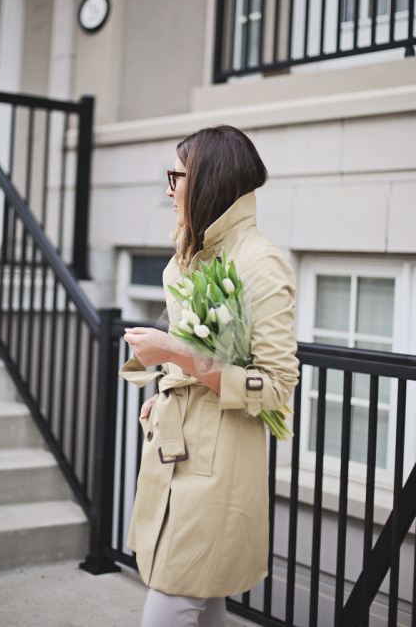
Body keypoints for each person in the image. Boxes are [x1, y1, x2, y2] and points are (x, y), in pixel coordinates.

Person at [122, 125, 299, 627]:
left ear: (207, 181)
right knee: (203, 596)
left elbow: (278, 386)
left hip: (218, 458)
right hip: (176, 443)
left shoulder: (260, 263)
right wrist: (163, 392)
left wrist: (175, 357)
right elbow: (200, 351)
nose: (168, 189)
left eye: (175, 176)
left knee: (176, 596)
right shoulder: (188, 257)